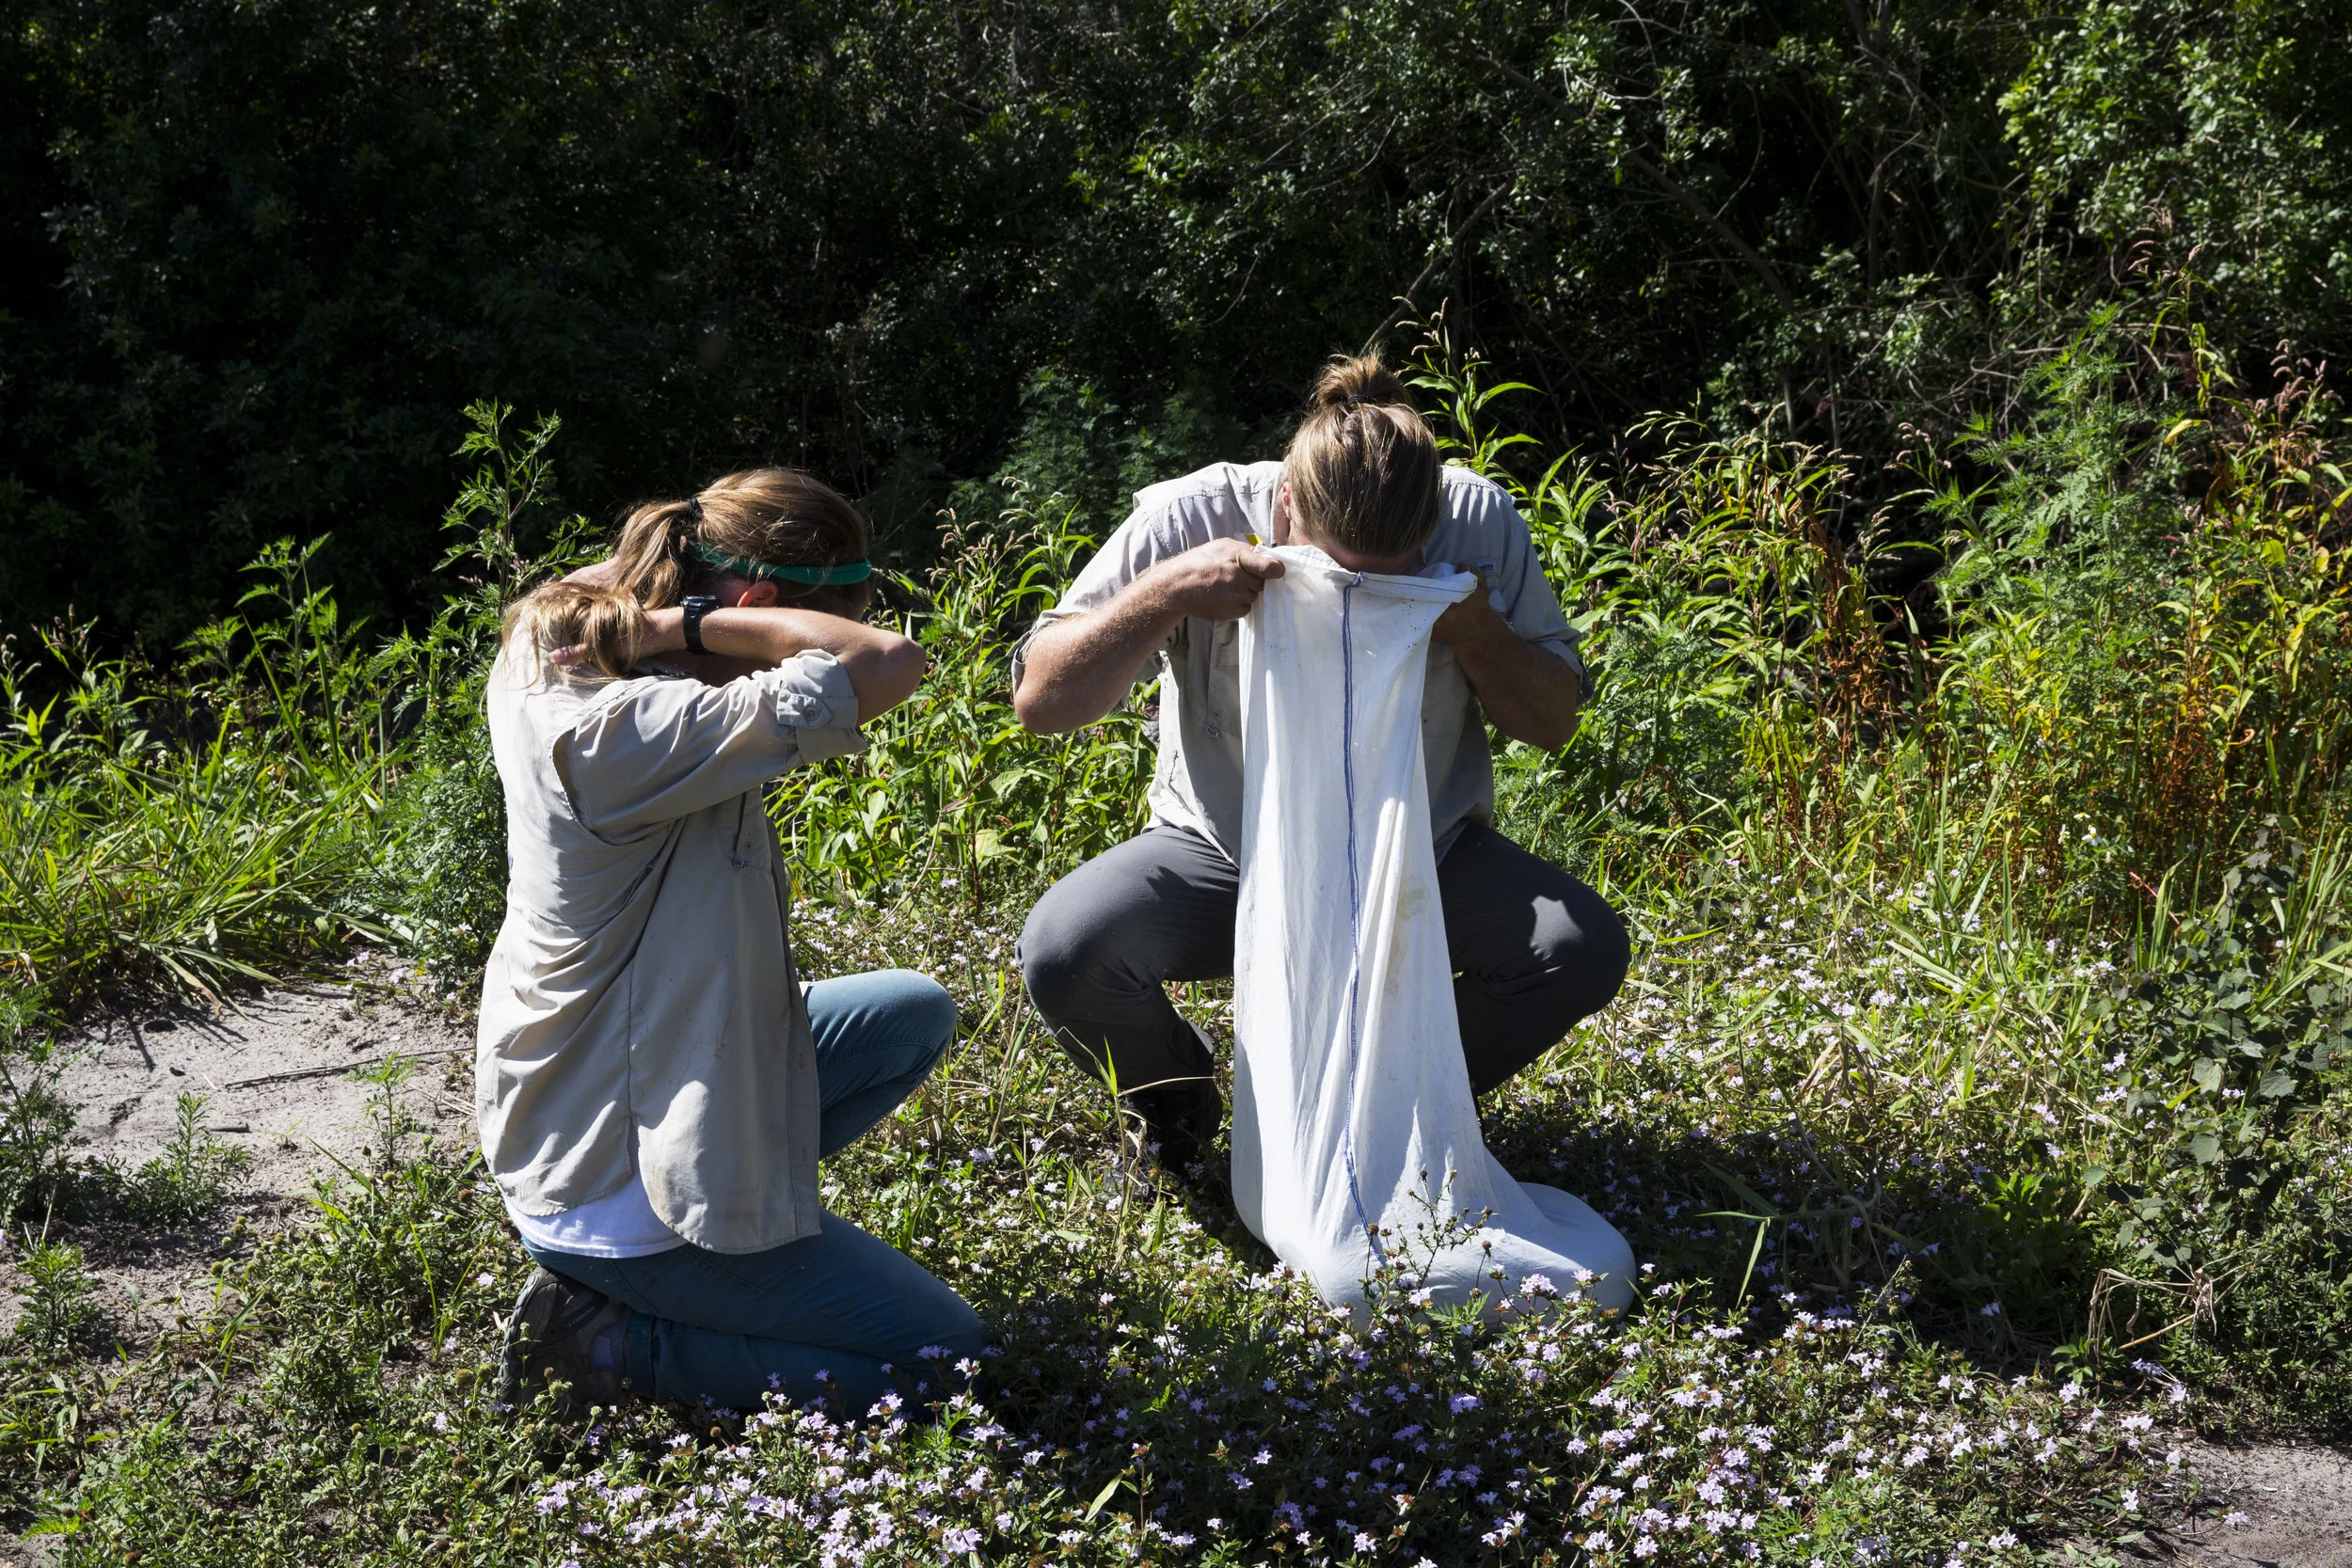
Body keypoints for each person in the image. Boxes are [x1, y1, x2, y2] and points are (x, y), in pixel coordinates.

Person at [1014, 355, 1631, 1174]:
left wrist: (1476, 629)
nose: (1352, 598)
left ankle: (1386, 1115)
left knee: (1576, 946)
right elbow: (1041, 700)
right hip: (1225, 854)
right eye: (1332, 573)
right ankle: (1173, 1095)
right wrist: (1163, 591)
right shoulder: (1189, 514)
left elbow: (1554, 724)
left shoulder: (1478, 522)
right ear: (1286, 506)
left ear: (1432, 520)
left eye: (1390, 581)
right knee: (1068, 948)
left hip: (1419, 851)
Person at [480, 467, 987, 1417]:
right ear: (749, 608)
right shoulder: (632, 729)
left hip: (587, 1079)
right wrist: (697, 625)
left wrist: (675, 611)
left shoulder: (554, 645)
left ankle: (739, 1231)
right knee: (943, 1362)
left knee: (908, 1012)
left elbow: (579, 585)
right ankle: (609, 1343)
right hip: (606, 1186)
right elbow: (887, 660)